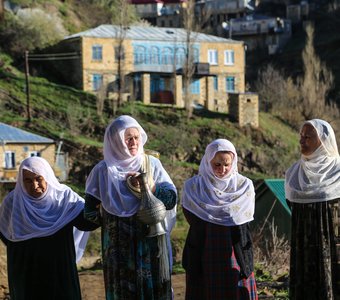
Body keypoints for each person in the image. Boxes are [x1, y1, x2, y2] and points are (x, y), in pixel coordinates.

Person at [84, 115, 177, 300]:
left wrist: (149, 188)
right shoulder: (102, 171)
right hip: (118, 250)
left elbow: (171, 199)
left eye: (136, 137)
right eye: (127, 138)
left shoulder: (151, 165)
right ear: (115, 141)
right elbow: (89, 213)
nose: (133, 142)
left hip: (150, 243)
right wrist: (107, 218)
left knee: (154, 289)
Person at [0, 156, 98, 300]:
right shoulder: (13, 202)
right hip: (26, 274)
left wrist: (101, 203)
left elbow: (87, 222)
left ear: (47, 176)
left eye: (39, 178)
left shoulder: (64, 197)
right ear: (21, 181)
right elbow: (5, 233)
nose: (34, 185)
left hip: (59, 271)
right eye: (27, 180)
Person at [182, 139, 258, 300]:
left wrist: (214, 218)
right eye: (217, 164)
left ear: (233, 162)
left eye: (227, 164)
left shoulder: (243, 186)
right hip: (204, 246)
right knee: (204, 290)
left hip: (234, 248)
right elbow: (190, 216)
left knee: (235, 288)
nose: (222, 169)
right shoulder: (194, 187)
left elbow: (244, 220)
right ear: (208, 161)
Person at [285, 119, 340, 299]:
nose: (302, 141)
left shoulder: (337, 172)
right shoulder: (294, 174)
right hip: (303, 249)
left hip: (333, 249)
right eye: (301, 136)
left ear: (323, 141)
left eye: (308, 137)